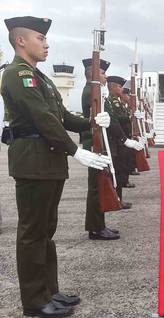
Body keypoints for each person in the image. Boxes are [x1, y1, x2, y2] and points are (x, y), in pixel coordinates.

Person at [1, 16, 111, 317]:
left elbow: (62, 117)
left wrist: (91, 122)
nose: (46, 44)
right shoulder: (16, 74)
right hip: (32, 162)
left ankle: (49, 290)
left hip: (48, 161)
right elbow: (43, 119)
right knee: (33, 232)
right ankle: (35, 301)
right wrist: (76, 150)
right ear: (21, 40)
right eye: (41, 38)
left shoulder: (42, 77)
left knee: (47, 230)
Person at [81, 58, 120, 240]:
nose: (105, 76)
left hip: (99, 141)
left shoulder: (96, 91)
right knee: (96, 186)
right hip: (94, 142)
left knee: (100, 184)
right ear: (94, 74)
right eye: (103, 73)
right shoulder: (91, 91)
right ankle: (96, 228)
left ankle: (99, 224)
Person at [104, 76, 144, 209]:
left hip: (123, 141)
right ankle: (118, 199)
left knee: (122, 171)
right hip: (118, 142)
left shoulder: (117, 102)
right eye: (120, 87)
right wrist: (129, 116)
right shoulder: (111, 101)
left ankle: (119, 199)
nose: (121, 89)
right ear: (113, 87)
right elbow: (116, 119)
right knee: (119, 172)